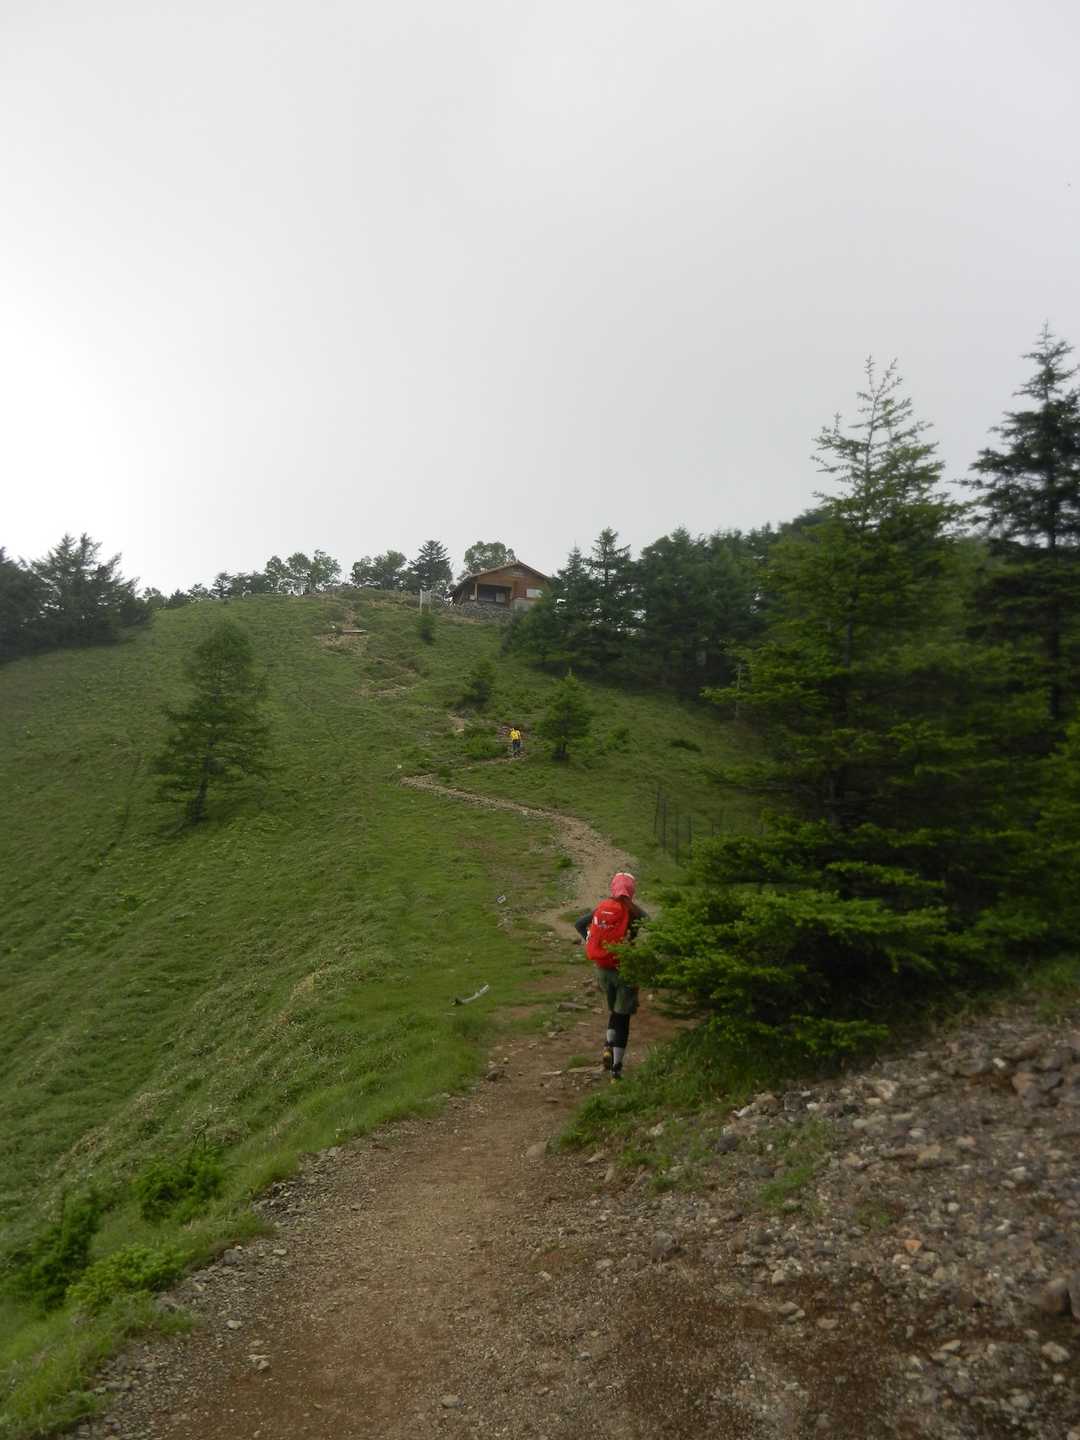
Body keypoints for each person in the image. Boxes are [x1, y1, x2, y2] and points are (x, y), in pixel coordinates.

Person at [574, 872, 648, 1080]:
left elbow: (579, 923)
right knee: (622, 1017)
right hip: (625, 969)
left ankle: (607, 1045)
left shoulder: (603, 908)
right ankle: (616, 1069)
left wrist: (590, 939)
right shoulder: (633, 912)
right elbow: (651, 923)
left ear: (613, 889)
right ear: (631, 890)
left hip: (603, 969)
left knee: (614, 1010)